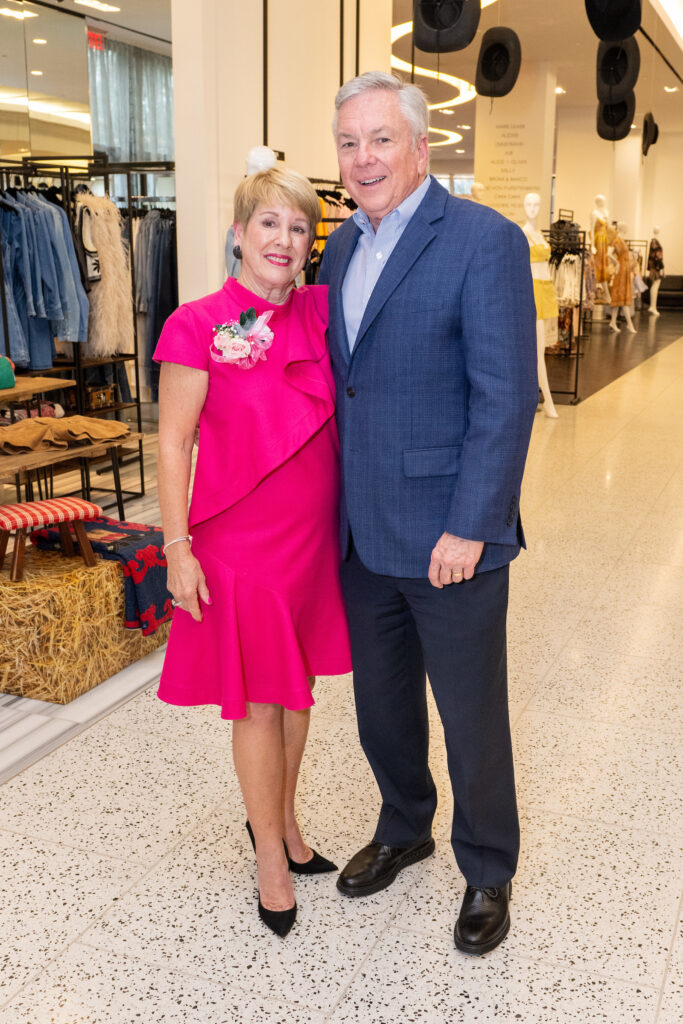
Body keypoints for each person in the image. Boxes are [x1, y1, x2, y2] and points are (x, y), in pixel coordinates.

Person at [319, 72, 538, 955]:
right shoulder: (339, 249)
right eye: (347, 142)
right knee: (381, 707)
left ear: (419, 146)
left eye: (378, 139)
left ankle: (487, 867)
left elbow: (505, 396)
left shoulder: (482, 240)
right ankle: (405, 823)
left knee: (471, 713)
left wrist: (472, 524)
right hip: (362, 533)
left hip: (451, 537)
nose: (362, 158)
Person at [154, 167, 352, 938]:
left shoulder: (321, 312)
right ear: (239, 233)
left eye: (299, 228)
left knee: (298, 690)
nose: (285, 240)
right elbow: (172, 443)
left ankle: (285, 819)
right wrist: (176, 547)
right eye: (269, 224)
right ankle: (269, 849)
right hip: (238, 539)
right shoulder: (195, 323)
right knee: (259, 698)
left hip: (310, 540)